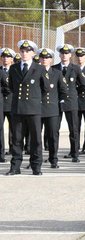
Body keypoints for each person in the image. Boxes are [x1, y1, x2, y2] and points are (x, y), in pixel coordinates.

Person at [6, 40, 43, 176]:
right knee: (16, 139)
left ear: (33, 53)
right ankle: (15, 166)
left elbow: (44, 89)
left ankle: (36, 166)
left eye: (27, 51)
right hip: (18, 109)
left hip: (33, 109)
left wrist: (35, 102)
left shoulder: (39, 68)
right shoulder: (14, 68)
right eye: (22, 51)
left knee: (36, 139)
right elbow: (11, 87)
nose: (24, 53)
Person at [38, 48, 68, 169]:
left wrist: (58, 103)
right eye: (42, 57)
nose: (44, 59)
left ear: (51, 59)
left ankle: (53, 159)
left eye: (47, 57)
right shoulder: (34, 71)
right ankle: (35, 159)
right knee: (35, 137)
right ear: (39, 59)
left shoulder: (57, 73)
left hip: (52, 109)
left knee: (52, 136)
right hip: (37, 108)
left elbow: (64, 90)